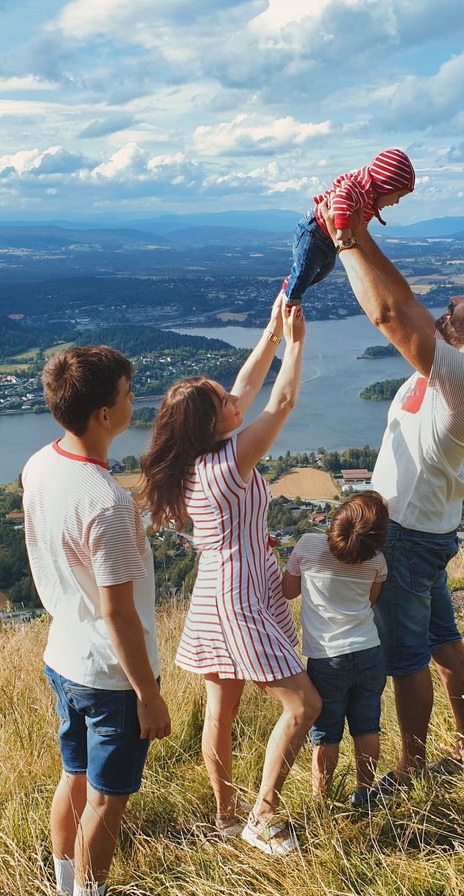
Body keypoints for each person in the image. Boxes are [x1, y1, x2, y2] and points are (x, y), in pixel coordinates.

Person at [330, 214, 464, 787]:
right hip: (426, 527)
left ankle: (412, 770)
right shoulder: (455, 360)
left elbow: (388, 314)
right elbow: (405, 299)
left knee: (407, 656)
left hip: (408, 535)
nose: (455, 297)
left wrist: (343, 239)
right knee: (444, 639)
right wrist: (362, 232)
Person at [139, 296, 320, 855]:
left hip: (218, 590)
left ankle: (224, 816)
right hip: (242, 597)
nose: (234, 398)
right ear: (211, 423)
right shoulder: (229, 463)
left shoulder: (200, 458)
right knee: (303, 706)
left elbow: (245, 387)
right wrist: (295, 344)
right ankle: (261, 817)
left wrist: (268, 332)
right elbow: (282, 400)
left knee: (222, 710)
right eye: (223, 401)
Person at [21, 345, 170, 896]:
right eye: (129, 394)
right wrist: (148, 695)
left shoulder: (40, 464)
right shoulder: (107, 502)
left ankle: (64, 891)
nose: (136, 402)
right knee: (108, 799)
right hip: (112, 678)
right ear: (104, 415)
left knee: (74, 778)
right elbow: (118, 611)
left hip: (63, 657)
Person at [281, 491, 390, 808]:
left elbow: (288, 591)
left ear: (338, 518)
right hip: (369, 651)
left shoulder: (308, 545)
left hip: (327, 659)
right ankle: (365, 794)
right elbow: (371, 600)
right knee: (367, 726)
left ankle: (322, 799)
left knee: (326, 734)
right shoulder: (376, 560)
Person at [281, 148, 414, 308]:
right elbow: (341, 198)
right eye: (398, 195)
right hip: (313, 231)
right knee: (307, 268)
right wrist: (343, 232)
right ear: (386, 186)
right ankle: (291, 301)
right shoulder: (360, 190)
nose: (397, 202)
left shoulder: (369, 198)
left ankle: (294, 281)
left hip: (325, 238)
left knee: (325, 269)